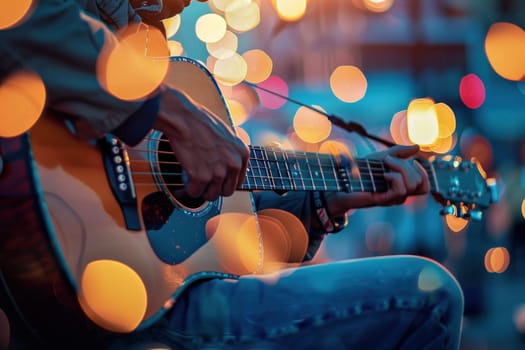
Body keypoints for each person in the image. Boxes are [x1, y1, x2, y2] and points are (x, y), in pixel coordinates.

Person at [0, 1, 464, 349]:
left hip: (146, 296)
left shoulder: (147, 50)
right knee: (428, 297)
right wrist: (174, 113)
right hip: (99, 307)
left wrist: (329, 200)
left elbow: (223, 236)